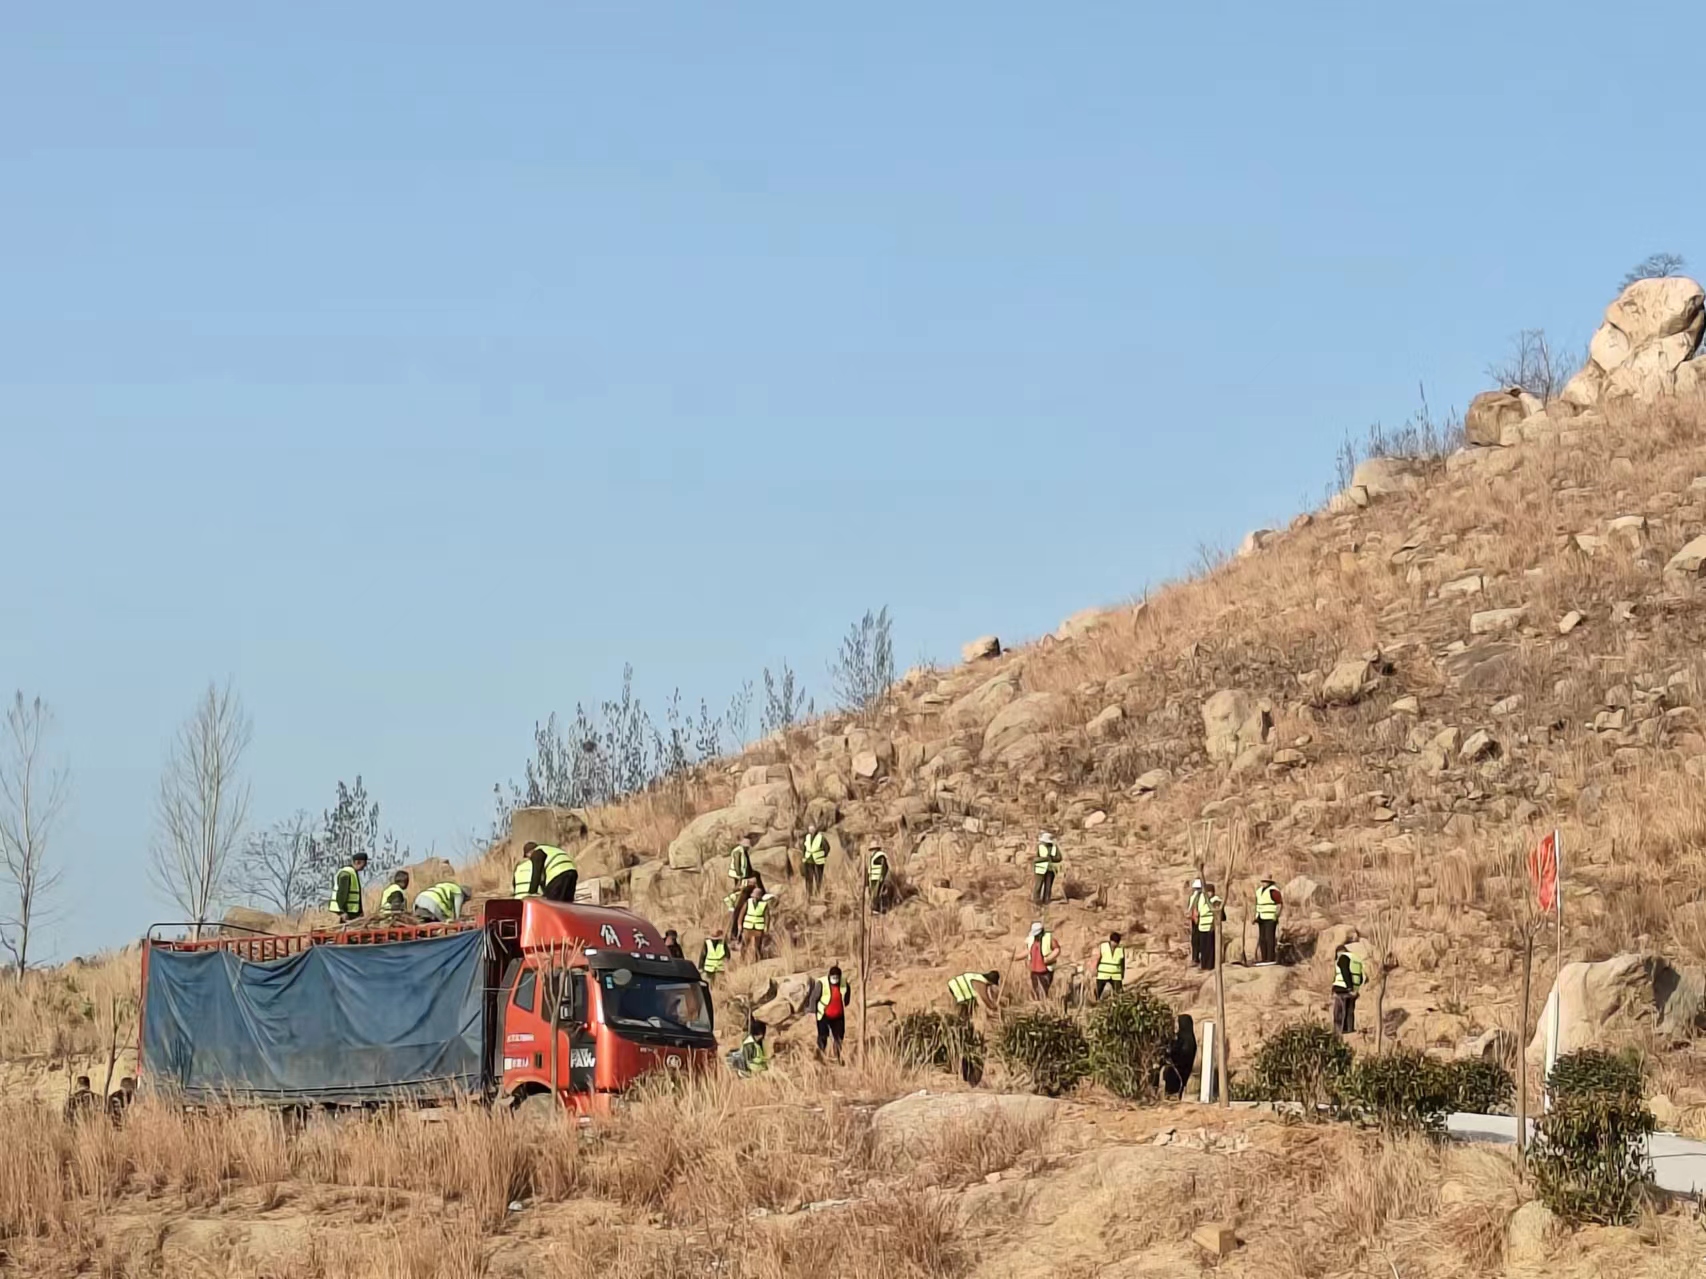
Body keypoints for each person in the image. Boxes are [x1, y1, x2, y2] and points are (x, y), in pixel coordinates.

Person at [811, 965, 850, 1062]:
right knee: (823, 1036)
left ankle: (837, 1057)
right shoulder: (822, 983)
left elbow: (848, 990)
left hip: (838, 1016)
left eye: (837, 977)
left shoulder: (843, 982)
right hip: (823, 1014)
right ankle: (820, 1057)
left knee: (839, 1037)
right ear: (829, 976)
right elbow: (814, 998)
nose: (835, 979)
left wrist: (846, 1001)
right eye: (833, 977)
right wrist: (812, 1011)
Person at [1332, 942, 1366, 1035]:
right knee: (1349, 1011)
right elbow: (1362, 976)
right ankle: (1349, 1030)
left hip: (1342, 989)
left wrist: (1349, 988)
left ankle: (1338, 1032)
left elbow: (1345, 972)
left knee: (1339, 1012)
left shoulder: (1343, 958)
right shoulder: (1356, 959)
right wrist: (1355, 989)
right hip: (1354, 990)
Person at [1161, 1014, 1197, 1100]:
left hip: (1177, 1073)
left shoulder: (1184, 1040)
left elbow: (1179, 1054)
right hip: (1184, 1073)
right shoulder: (1190, 1038)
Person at [1021, 922, 1060, 999]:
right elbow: (1028, 951)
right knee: (1037, 992)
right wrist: (1015, 957)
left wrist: (1049, 958)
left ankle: (1043, 1003)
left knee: (1043, 992)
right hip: (1034, 972)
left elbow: (1057, 949)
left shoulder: (1049, 939)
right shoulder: (1032, 940)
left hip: (1045, 972)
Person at [330, 850, 368, 924]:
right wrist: (342, 912)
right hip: (347, 912)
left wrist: (360, 912)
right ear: (357, 862)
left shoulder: (352, 873)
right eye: (364, 864)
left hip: (352, 912)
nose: (364, 867)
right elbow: (342, 894)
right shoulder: (346, 874)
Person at [1194, 882, 1224, 971]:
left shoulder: (1216, 900)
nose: (1208, 893)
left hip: (1210, 927)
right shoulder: (1202, 899)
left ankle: (1210, 965)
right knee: (1203, 948)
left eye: (1210, 892)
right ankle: (1204, 965)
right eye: (1207, 892)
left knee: (1210, 948)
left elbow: (1219, 913)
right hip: (1202, 927)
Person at [741, 883, 775, 959]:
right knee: (745, 944)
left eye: (757, 897)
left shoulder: (764, 905)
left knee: (757, 945)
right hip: (748, 926)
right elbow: (741, 914)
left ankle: (757, 958)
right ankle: (742, 958)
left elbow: (767, 917)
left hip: (758, 927)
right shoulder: (748, 902)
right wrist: (739, 925)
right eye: (754, 897)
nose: (755, 898)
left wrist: (766, 927)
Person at [1254, 877, 1283, 965]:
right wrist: (1255, 916)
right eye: (1263, 881)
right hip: (1261, 917)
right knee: (1262, 938)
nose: (1264, 883)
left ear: (1269, 882)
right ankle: (1264, 958)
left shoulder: (1273, 891)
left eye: (1265, 881)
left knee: (1269, 938)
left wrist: (1277, 915)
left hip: (1270, 917)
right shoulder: (1259, 891)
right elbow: (1257, 904)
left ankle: (1270, 958)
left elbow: (1279, 904)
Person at [1094, 931, 1126, 1000]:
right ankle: (1097, 1003)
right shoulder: (1103, 946)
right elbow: (1097, 958)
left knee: (1119, 993)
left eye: (1117, 943)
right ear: (1110, 941)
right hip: (1103, 973)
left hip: (1116, 974)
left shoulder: (1121, 949)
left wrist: (1123, 972)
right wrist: (1095, 969)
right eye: (1114, 942)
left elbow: (1122, 962)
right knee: (1098, 991)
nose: (1115, 944)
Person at [1033, 831, 1062, 905]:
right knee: (1038, 885)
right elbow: (1035, 859)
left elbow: (1059, 858)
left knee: (1048, 886)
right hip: (1041, 868)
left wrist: (1053, 858)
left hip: (1050, 869)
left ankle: (1046, 900)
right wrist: (1045, 858)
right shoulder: (1040, 847)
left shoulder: (1054, 847)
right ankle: (1036, 900)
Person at [801, 824, 829, 898]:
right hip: (808, 860)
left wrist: (823, 855)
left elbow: (827, 848)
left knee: (818, 878)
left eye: (812, 830)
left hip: (818, 861)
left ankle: (818, 893)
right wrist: (804, 857)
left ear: (815, 830)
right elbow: (804, 848)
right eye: (810, 830)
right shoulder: (807, 837)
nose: (811, 831)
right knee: (808, 879)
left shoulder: (821, 838)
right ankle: (809, 894)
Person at [1186, 878, 1207, 968]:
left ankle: (1202, 959)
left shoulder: (1203, 896)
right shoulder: (1193, 896)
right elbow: (1190, 907)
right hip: (1194, 920)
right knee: (1195, 940)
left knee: (1201, 940)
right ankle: (1195, 958)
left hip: (1202, 920)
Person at [867, 840, 891, 913]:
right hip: (873, 878)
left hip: (877, 878)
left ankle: (877, 909)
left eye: (872, 849)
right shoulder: (873, 857)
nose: (871, 852)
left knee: (877, 894)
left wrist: (881, 877)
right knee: (873, 894)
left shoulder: (880, 856)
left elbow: (884, 867)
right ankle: (875, 908)